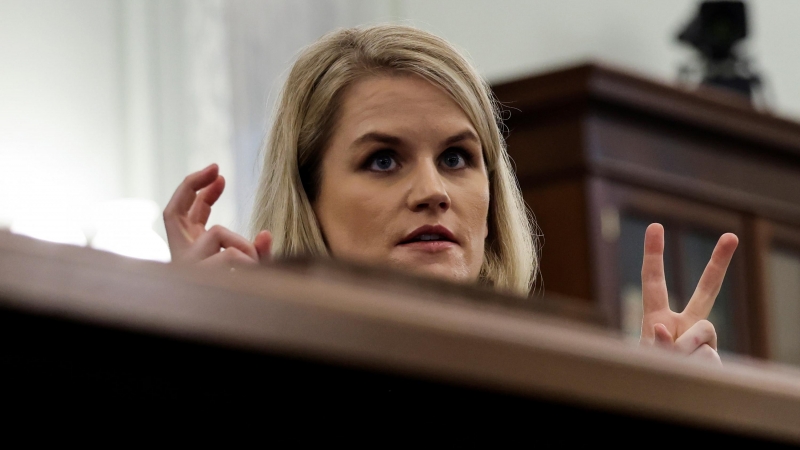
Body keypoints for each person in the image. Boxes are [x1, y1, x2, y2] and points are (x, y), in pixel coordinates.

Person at [163, 24, 738, 365]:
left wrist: (663, 410)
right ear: (307, 197)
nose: (433, 191)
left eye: (457, 158)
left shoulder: (559, 382)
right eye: (383, 160)